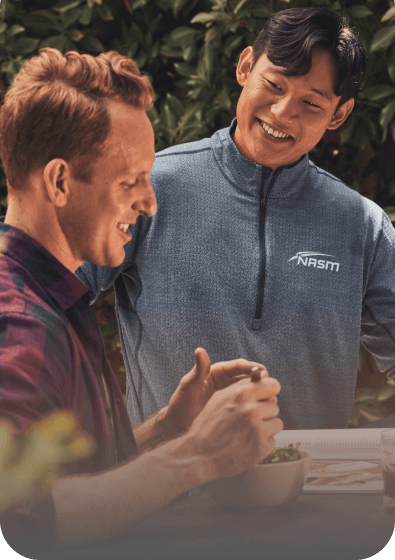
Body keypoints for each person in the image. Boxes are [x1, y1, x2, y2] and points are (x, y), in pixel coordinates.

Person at [0, 48, 283, 554]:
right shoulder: (19, 324)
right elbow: (19, 516)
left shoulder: (51, 296)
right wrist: (198, 456)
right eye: (130, 180)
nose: (150, 202)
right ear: (60, 182)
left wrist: (171, 428)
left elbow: (70, 476)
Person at [76, 7, 395, 431]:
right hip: (168, 486)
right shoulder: (149, 188)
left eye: (311, 103)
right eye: (274, 84)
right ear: (246, 66)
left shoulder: (362, 225)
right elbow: (45, 303)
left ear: (338, 114)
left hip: (312, 488)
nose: (282, 112)